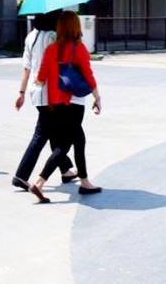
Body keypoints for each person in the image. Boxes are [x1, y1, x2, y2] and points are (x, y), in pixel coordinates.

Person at [28, 11, 102, 203]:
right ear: (75, 26)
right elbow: (88, 75)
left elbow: (40, 78)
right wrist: (97, 97)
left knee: (78, 140)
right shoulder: (79, 48)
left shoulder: (51, 49)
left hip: (54, 103)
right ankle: (40, 182)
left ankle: (84, 181)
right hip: (74, 103)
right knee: (65, 145)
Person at [12, 10, 78, 190]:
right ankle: (21, 175)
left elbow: (26, 68)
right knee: (43, 134)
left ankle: (66, 169)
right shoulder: (53, 37)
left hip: (36, 92)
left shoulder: (30, 37)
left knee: (53, 131)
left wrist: (21, 92)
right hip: (51, 93)